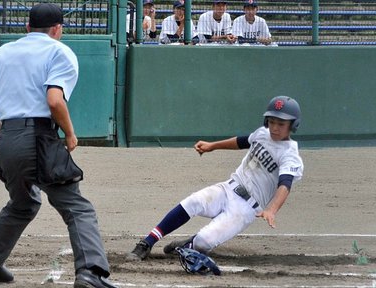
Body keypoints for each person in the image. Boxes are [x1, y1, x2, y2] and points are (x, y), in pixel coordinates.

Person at [0, 3, 120, 288]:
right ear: (57, 29)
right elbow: (54, 101)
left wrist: (5, 134)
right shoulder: (58, 51)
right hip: (38, 136)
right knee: (76, 206)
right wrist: (71, 133)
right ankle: (91, 271)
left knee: (23, 203)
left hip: (6, 140)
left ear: (27, 28)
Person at [126, 96, 304, 262]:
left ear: (292, 125)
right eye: (272, 121)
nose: (274, 127)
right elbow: (242, 142)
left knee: (204, 242)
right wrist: (213, 146)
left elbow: (285, 184)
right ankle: (147, 243)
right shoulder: (262, 134)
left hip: (245, 208)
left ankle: (190, 244)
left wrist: (272, 210)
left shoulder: (290, 154)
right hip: (228, 188)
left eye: (281, 124)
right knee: (193, 202)